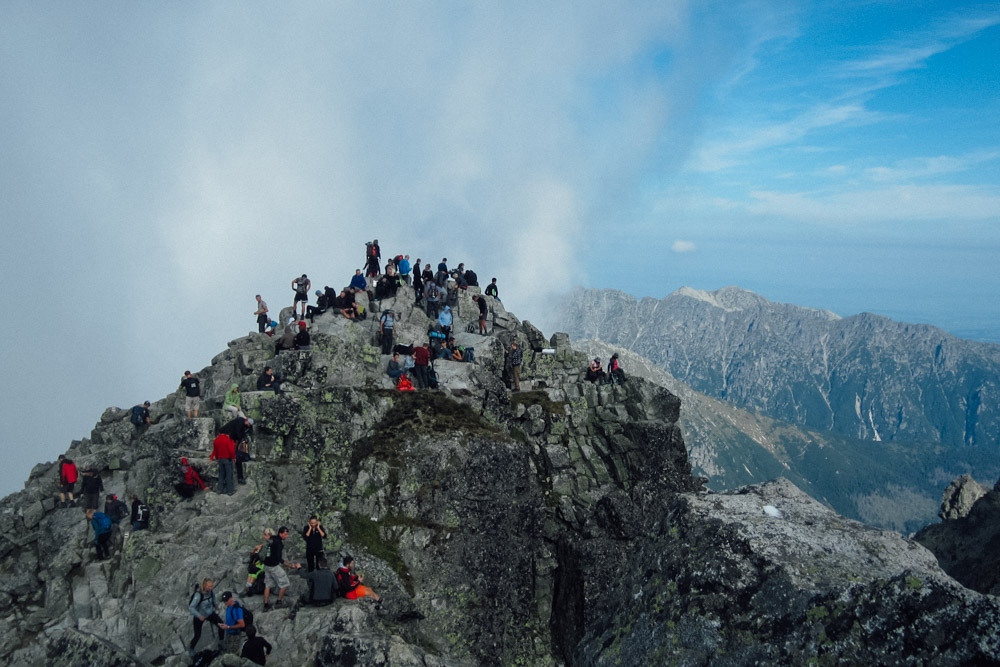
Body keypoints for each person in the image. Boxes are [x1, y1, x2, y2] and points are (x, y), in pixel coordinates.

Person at [259, 527, 302, 611]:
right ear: (280, 533)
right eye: (285, 534)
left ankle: (266, 604)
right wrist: (290, 565)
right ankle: (279, 602)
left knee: (268, 585)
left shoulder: (271, 539)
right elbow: (279, 559)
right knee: (285, 583)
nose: (287, 536)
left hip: (266, 565)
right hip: (274, 567)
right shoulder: (279, 543)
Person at [287, 556, 338, 620]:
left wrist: (299, 568)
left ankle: (293, 614)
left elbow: (304, 575)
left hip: (316, 601)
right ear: (326, 564)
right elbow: (336, 587)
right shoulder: (331, 574)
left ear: (319, 564)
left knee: (302, 597)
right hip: (328, 601)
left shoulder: (315, 573)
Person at [188, 578, 224, 657]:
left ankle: (221, 644)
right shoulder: (198, 595)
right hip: (200, 616)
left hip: (210, 613)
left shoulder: (210, 591)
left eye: (212, 586)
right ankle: (191, 648)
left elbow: (213, 598)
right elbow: (191, 608)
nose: (211, 588)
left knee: (221, 625)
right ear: (204, 586)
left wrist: (216, 606)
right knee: (197, 635)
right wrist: (199, 616)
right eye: (209, 586)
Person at [221, 416, 253, 485]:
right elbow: (238, 431)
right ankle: (239, 478)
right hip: (228, 435)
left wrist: (244, 438)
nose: (249, 426)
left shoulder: (244, 424)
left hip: (231, 442)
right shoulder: (240, 422)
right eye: (249, 424)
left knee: (237, 459)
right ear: (247, 421)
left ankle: (239, 478)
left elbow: (240, 433)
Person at [210, 431, 237, 495]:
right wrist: (234, 457)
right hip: (227, 459)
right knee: (228, 475)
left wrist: (213, 457)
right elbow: (231, 450)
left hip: (220, 459)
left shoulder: (216, 440)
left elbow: (215, 450)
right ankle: (230, 491)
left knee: (221, 475)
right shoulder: (228, 439)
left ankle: (220, 490)